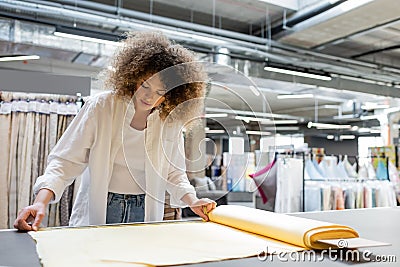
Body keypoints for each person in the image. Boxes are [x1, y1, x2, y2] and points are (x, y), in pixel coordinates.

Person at [14, 31, 216, 231]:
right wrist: (40, 202)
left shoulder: (169, 122)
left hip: (144, 208)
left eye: (159, 92)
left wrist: (193, 200)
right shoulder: (101, 107)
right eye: (145, 85)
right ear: (133, 76)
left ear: (171, 95)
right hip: (101, 206)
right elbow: (65, 162)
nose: (148, 96)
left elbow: (174, 174)